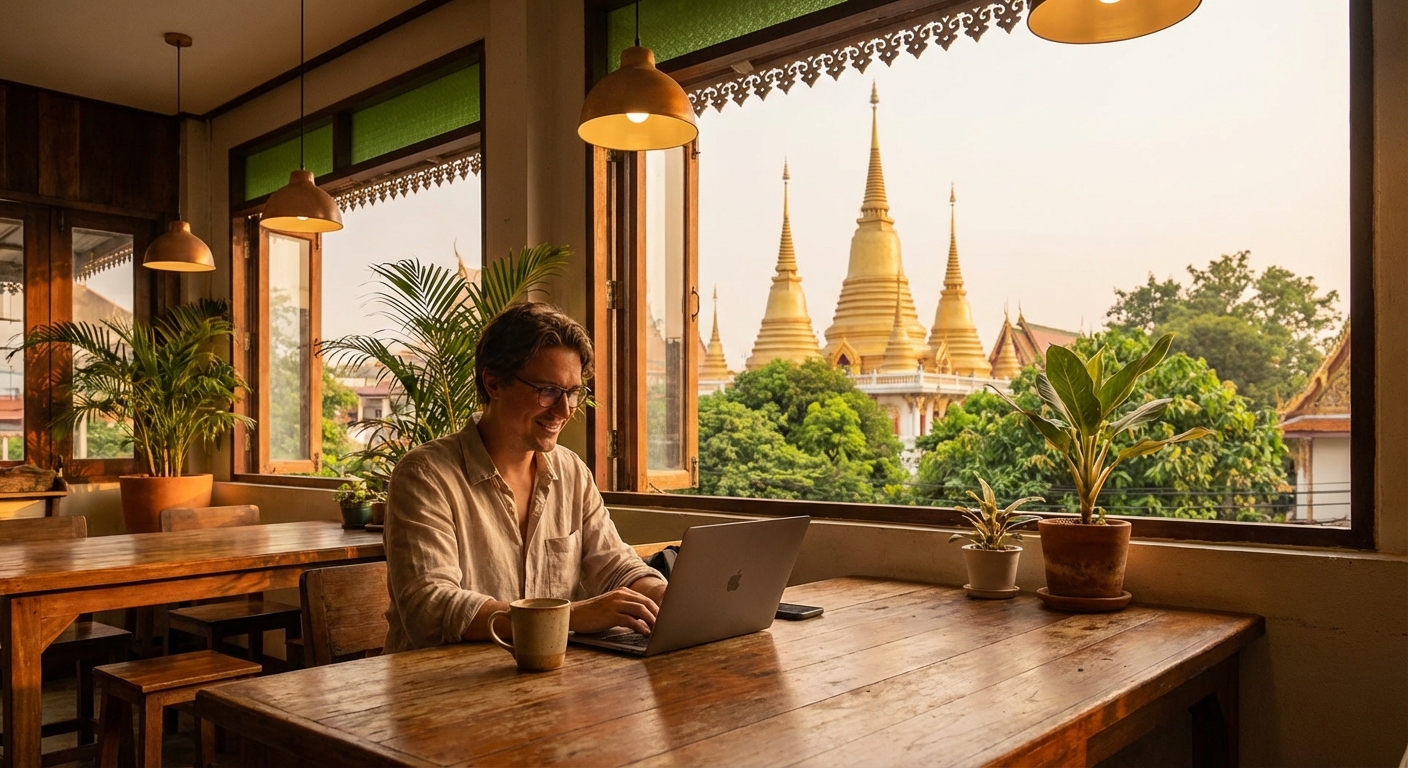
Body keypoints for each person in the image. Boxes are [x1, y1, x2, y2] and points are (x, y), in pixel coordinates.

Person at [382, 302, 667, 653]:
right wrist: (572, 616)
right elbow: (430, 608)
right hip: (438, 691)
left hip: (545, 686)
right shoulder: (426, 475)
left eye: (573, 392)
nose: (564, 411)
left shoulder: (571, 472)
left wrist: (668, 597)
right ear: (493, 383)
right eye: (547, 391)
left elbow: (614, 565)